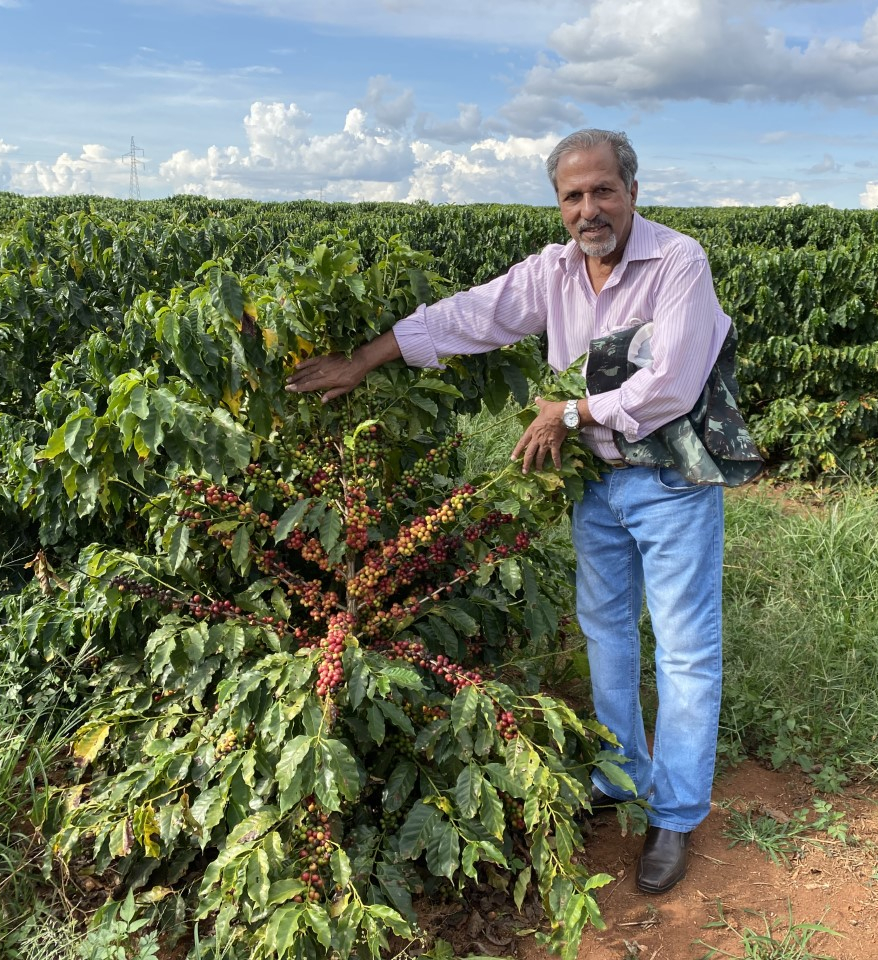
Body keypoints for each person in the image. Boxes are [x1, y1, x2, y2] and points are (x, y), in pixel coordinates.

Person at [287, 128, 731, 895]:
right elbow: (466, 315)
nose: (588, 208)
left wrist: (567, 412)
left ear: (631, 190)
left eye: (602, 191)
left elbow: (673, 384)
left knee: (685, 648)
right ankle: (621, 778)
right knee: (606, 631)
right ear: (558, 205)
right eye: (572, 196)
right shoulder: (552, 272)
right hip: (594, 483)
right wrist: (361, 361)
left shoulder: (678, 262)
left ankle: (677, 813)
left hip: (670, 482)